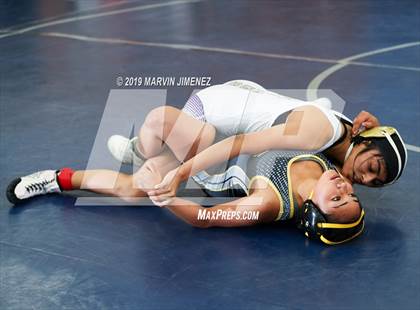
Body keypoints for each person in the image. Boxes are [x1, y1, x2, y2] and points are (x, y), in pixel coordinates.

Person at [106, 80, 407, 198]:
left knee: (160, 175)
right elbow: (241, 144)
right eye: (372, 167)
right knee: (164, 169)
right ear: (365, 142)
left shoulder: (346, 138)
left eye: (374, 181)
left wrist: (372, 135)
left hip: (240, 107)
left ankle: (159, 152)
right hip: (211, 113)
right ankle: (142, 148)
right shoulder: (315, 132)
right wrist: (180, 174)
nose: (365, 179)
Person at [5, 150, 364, 245]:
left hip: (193, 162)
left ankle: (54, 180)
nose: (344, 188)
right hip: (220, 134)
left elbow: (206, 219)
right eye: (351, 196)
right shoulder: (329, 169)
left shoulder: (269, 204)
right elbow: (362, 158)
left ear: (313, 210)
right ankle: (142, 152)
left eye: (338, 200)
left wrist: (164, 195)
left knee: (132, 189)